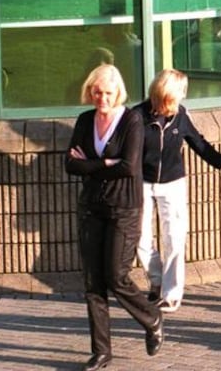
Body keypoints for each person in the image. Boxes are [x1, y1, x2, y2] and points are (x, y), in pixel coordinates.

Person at [65, 64, 164, 371]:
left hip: (124, 208)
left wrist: (92, 163)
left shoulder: (131, 120)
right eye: (96, 91)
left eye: (107, 92)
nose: (101, 98)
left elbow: (129, 167)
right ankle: (101, 352)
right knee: (93, 282)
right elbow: (70, 164)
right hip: (91, 206)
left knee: (116, 276)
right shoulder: (84, 120)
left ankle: (152, 318)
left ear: (118, 92)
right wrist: (107, 161)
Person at [136, 69, 221, 313]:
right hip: (142, 181)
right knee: (139, 236)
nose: (184, 96)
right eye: (181, 91)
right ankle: (157, 279)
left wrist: (220, 160)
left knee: (174, 236)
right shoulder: (137, 116)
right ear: (166, 94)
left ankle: (171, 294)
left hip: (172, 182)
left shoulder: (180, 115)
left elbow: (197, 141)